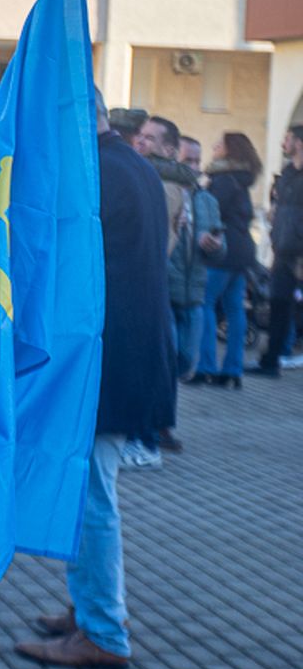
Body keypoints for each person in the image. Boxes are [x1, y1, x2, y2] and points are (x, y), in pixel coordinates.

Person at [15, 90, 175, 669]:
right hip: (126, 360)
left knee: (91, 499)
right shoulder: (131, 164)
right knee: (92, 494)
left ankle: (103, 630)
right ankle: (91, 610)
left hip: (108, 366)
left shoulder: (97, 175)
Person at [124, 115, 195, 462]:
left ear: (169, 149)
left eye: (150, 138)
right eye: (140, 135)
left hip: (146, 286)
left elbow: (153, 242)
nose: (140, 141)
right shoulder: (153, 177)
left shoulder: (162, 184)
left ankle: (146, 440)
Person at [194, 132, 262, 386]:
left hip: (223, 250)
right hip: (243, 250)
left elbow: (211, 212)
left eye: (219, 145)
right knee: (235, 309)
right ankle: (233, 370)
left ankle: (205, 366)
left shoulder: (222, 180)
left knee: (205, 303)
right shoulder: (242, 180)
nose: (214, 147)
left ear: (230, 151)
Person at [167, 136, 223, 379]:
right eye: (187, 160)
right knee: (166, 364)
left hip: (195, 297)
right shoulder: (163, 192)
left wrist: (215, 245)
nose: (194, 166)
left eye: (197, 161)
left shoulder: (208, 200)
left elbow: (221, 248)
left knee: (186, 363)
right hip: (167, 294)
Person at [257, 125, 303, 376]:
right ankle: (270, 361)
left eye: (287, 139)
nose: (283, 143)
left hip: (299, 252)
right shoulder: (287, 174)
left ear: (299, 142)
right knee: (278, 304)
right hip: (282, 249)